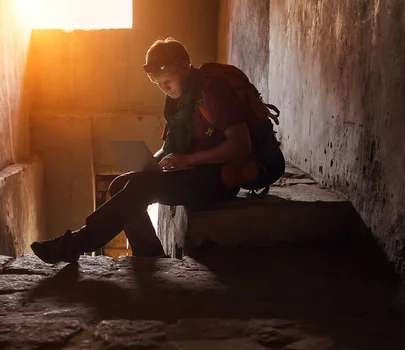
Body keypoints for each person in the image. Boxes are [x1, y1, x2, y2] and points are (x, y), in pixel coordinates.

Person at [31, 37, 283, 264]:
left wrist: (189, 158)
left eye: (168, 81)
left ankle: (76, 243)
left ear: (185, 68)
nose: (165, 88)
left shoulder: (213, 91)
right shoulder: (177, 103)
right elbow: (169, 146)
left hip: (220, 178)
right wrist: (148, 163)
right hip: (194, 172)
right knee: (120, 184)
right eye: (159, 84)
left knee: (145, 187)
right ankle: (149, 254)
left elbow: (240, 144)